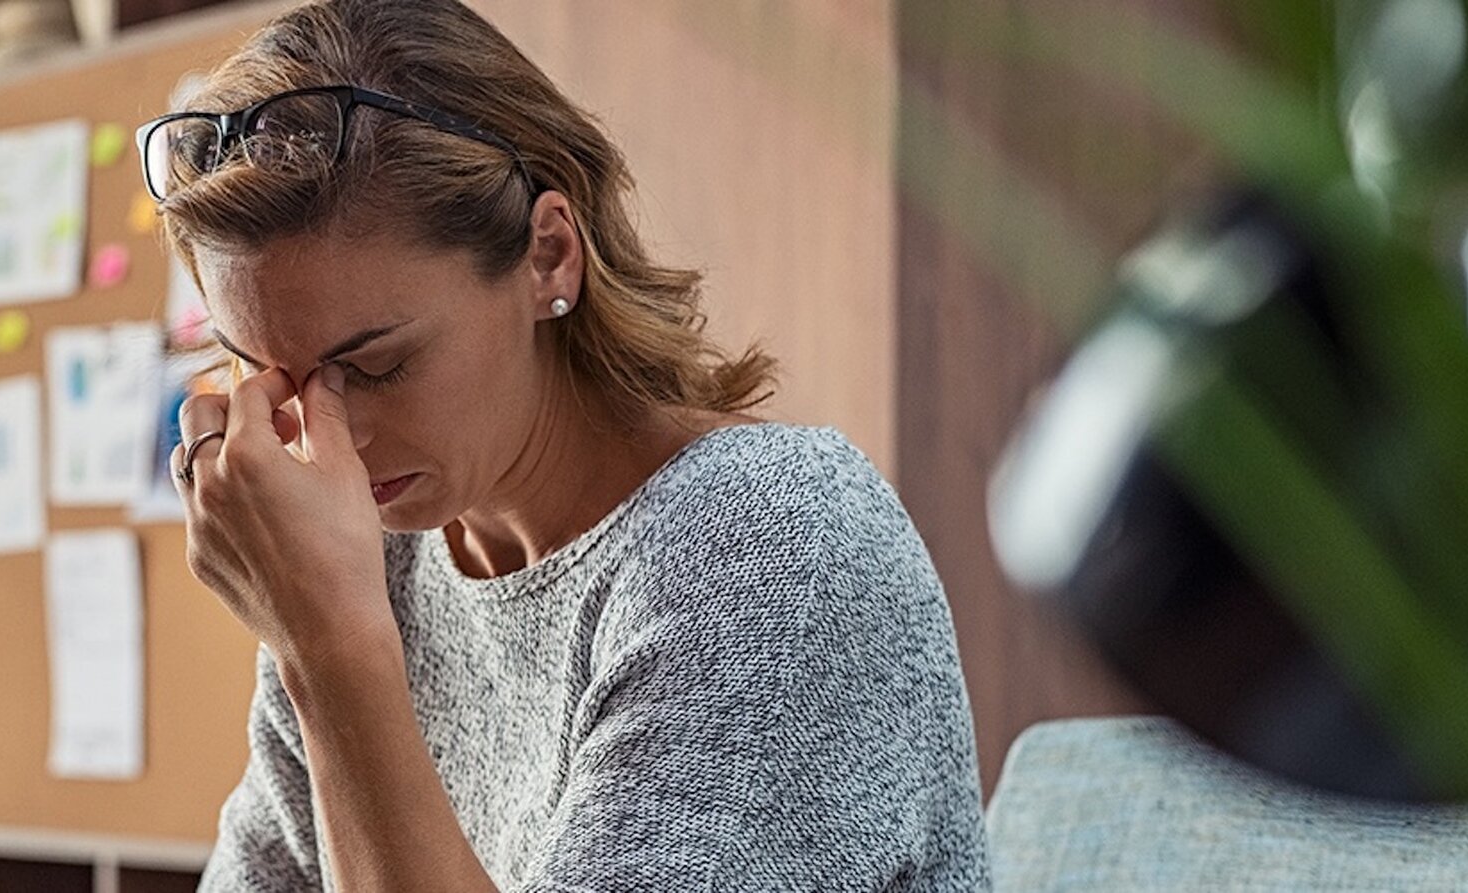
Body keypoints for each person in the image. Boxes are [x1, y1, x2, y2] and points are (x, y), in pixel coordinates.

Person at [145, 1, 988, 889]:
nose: (331, 444)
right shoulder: (371, 570)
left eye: (379, 366)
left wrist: (333, 654)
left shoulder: (773, 546)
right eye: (271, 378)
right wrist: (324, 643)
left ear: (549, 253)